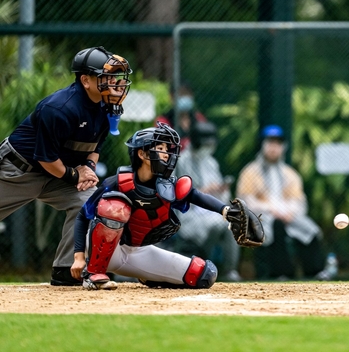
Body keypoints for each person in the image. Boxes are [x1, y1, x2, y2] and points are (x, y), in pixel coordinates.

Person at [70, 122, 263, 290]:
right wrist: (79, 257)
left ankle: (149, 276)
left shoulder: (168, 185)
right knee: (115, 206)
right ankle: (93, 274)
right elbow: (82, 216)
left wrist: (226, 211)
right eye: (161, 148)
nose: (167, 154)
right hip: (105, 252)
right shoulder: (118, 182)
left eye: (167, 149)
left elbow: (196, 196)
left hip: (138, 251)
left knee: (204, 274)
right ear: (142, 154)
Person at [0, 46, 131, 286]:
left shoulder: (108, 107)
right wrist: (74, 176)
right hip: (19, 171)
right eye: (105, 76)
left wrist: (88, 169)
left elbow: (95, 147)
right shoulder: (60, 108)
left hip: (60, 174)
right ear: (85, 81)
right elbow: (45, 159)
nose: (114, 82)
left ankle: (66, 270)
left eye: (114, 76)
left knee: (94, 204)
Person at [236, 125, 331, 280]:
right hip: (262, 217)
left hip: (288, 216)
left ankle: (315, 271)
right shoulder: (250, 172)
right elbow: (246, 201)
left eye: (278, 143)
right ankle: (282, 273)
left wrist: (289, 213)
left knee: (310, 229)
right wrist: (272, 210)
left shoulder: (290, 174)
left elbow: (299, 202)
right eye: (270, 143)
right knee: (277, 226)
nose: (274, 148)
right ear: (262, 145)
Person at [172, 120, 243, 282]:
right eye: (206, 144)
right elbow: (179, 194)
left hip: (211, 211)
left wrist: (221, 190)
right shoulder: (182, 161)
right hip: (190, 213)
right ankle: (204, 265)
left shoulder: (211, 162)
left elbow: (221, 197)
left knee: (233, 222)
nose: (209, 147)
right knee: (219, 225)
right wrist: (205, 191)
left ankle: (230, 270)